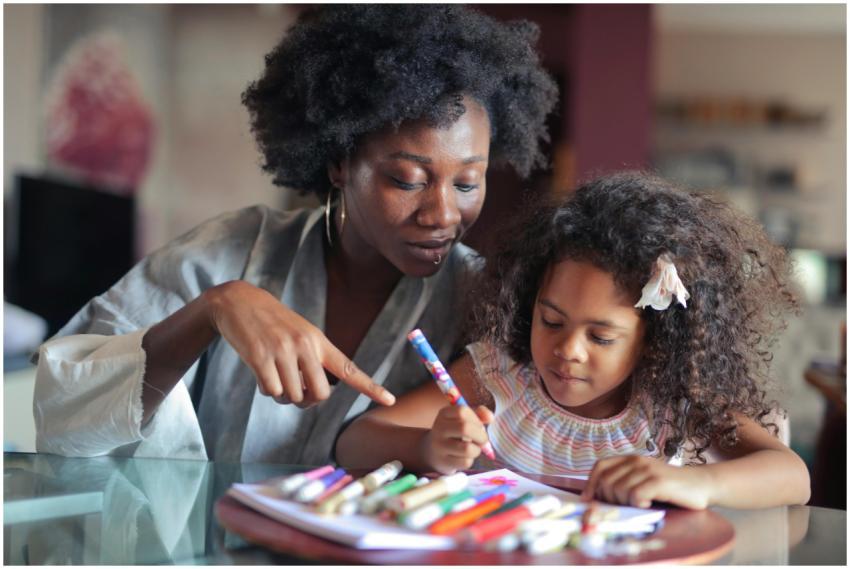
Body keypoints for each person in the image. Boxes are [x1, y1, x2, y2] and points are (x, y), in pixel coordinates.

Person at [32, 5, 558, 464]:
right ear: (338, 162)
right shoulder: (232, 252)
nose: (443, 213)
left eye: (468, 182)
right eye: (407, 180)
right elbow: (64, 416)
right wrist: (214, 310)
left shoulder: (485, 300)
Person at [336, 172, 812, 509]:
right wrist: (428, 450)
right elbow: (355, 443)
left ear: (654, 340)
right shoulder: (502, 375)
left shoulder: (674, 400)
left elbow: (793, 476)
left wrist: (701, 483)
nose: (568, 350)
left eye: (601, 337)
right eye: (551, 321)